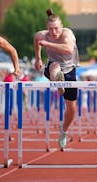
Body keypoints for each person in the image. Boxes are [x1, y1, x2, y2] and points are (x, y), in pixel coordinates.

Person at [34, 8, 79, 149]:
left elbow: (68, 49)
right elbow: (36, 38)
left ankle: (63, 131)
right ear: (47, 29)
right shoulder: (42, 35)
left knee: (71, 110)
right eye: (51, 29)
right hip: (54, 65)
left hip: (70, 70)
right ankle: (58, 83)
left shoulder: (67, 34)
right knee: (54, 66)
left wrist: (47, 44)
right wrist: (38, 58)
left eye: (56, 29)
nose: (54, 32)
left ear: (62, 26)